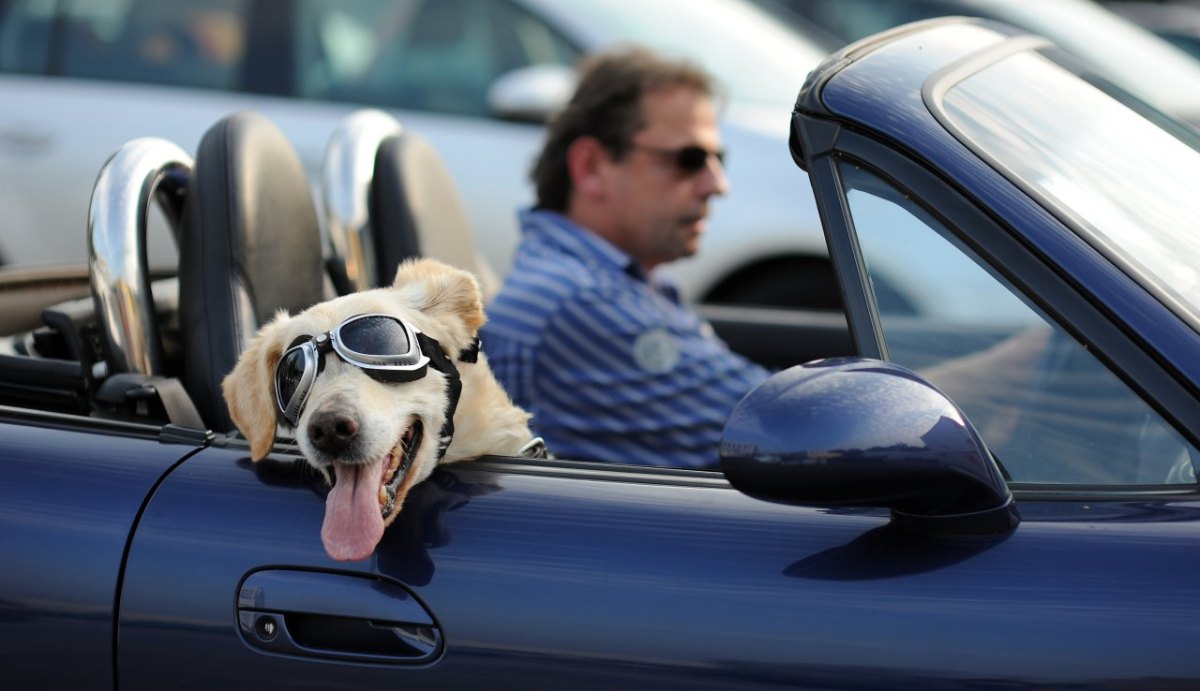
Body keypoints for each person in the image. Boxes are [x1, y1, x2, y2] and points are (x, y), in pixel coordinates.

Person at [480, 47, 770, 468]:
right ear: (592, 166)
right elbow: (773, 429)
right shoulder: (578, 300)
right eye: (689, 159)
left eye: (716, 159)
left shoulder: (625, 277)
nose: (716, 184)